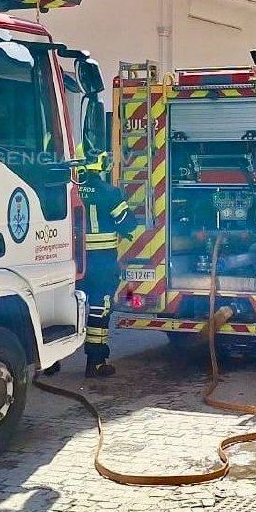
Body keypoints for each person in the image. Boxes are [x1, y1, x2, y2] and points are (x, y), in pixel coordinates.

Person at [78, 153, 140, 378]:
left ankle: (51, 362)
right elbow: (128, 223)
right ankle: (95, 362)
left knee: (67, 307)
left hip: (73, 262)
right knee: (99, 308)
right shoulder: (110, 193)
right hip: (101, 262)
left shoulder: (70, 190)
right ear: (102, 166)